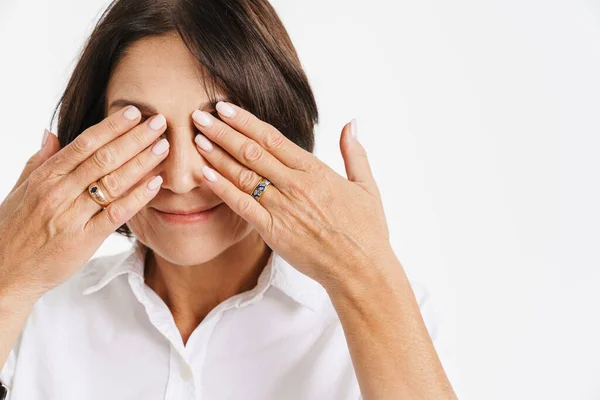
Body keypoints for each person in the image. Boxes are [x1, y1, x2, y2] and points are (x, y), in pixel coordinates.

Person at [0, 0, 459, 399]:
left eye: (214, 129)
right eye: (141, 130)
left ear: (275, 131)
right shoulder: (37, 312)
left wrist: (366, 276)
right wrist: (6, 280)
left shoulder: (383, 314)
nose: (180, 178)